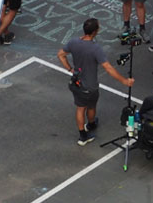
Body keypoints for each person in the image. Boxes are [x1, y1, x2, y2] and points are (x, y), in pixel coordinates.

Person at [57, 18, 135, 146]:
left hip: (77, 82)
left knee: (80, 108)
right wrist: (124, 81)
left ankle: (83, 135)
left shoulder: (74, 42)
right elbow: (108, 68)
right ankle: (91, 124)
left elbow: (60, 54)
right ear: (95, 32)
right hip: (90, 85)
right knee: (91, 106)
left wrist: (70, 69)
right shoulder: (95, 49)